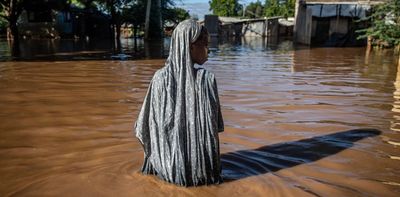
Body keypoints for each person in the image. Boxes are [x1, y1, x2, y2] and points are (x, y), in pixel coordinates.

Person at [134, 19, 224, 186]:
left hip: (166, 170)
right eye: (205, 44)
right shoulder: (206, 79)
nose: (209, 50)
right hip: (203, 174)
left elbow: (143, 126)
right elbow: (216, 127)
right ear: (190, 47)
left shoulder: (159, 78)